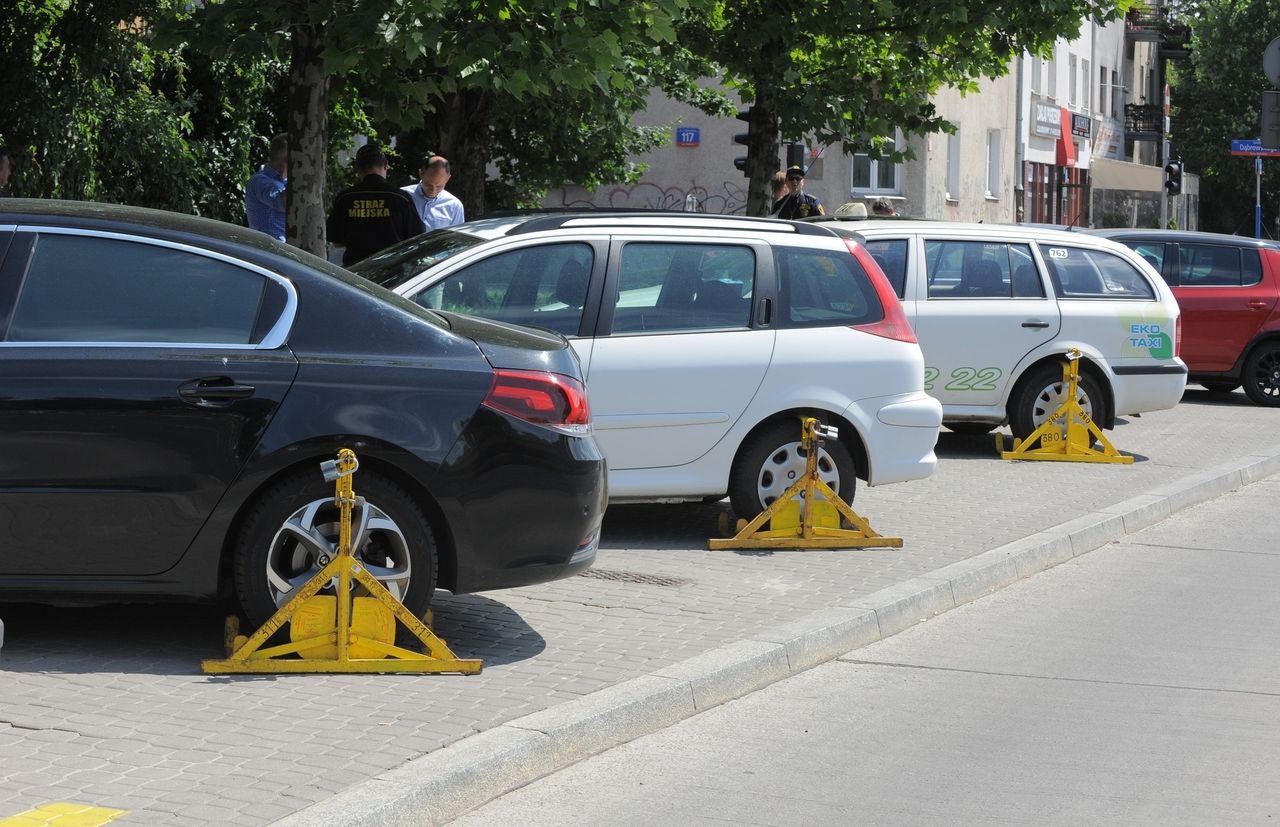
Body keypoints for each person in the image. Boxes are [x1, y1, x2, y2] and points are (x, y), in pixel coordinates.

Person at [326, 143, 424, 266]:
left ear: (358, 168)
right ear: (385, 165)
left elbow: (335, 239)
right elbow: (416, 237)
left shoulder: (345, 198)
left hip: (356, 269)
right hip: (393, 271)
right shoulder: (401, 198)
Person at [402, 154, 465, 229]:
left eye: (439, 186)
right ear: (421, 173)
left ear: (448, 178)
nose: (433, 190)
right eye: (428, 184)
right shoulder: (402, 196)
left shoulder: (454, 205)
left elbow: (455, 238)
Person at [245, 134, 288, 240]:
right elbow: (285, 203)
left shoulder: (284, 181)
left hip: (284, 250)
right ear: (285, 159)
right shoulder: (260, 181)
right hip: (271, 251)